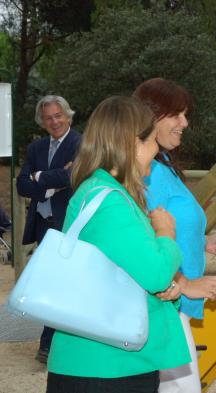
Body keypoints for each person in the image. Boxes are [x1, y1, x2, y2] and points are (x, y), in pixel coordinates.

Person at [46, 96, 189, 393]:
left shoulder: (103, 192)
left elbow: (133, 270)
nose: (155, 150)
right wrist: (166, 233)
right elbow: (155, 272)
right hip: (106, 367)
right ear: (132, 144)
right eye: (151, 142)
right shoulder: (110, 201)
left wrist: (167, 288)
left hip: (105, 363)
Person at [134, 77, 216, 393]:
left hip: (174, 303)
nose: (185, 122)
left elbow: (171, 226)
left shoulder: (163, 164)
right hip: (166, 304)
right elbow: (147, 239)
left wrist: (204, 242)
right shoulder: (148, 172)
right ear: (151, 117)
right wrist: (182, 283)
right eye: (177, 114)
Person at [16, 95, 82, 364]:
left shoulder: (82, 143)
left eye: (58, 115)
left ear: (68, 115)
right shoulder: (36, 148)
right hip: (44, 226)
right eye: (48, 117)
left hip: (69, 224)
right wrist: (53, 182)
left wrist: (40, 177)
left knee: (66, 282)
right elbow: (22, 186)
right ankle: (51, 342)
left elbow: (73, 176)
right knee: (49, 283)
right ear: (41, 121)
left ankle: (51, 342)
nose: (54, 121)